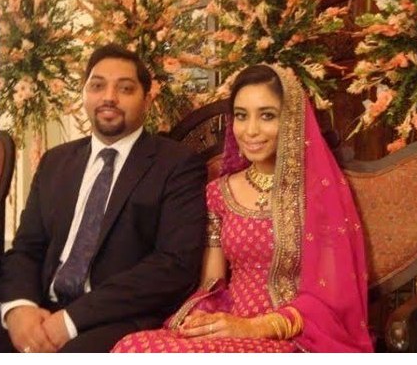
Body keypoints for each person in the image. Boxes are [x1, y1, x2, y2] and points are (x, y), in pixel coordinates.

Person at [112, 63, 373, 353]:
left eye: (267, 116)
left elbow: (333, 295)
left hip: (292, 334)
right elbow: (212, 283)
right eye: (241, 116)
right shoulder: (219, 192)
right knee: (132, 346)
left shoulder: (319, 192)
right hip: (229, 326)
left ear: (292, 120)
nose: (251, 131)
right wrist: (203, 319)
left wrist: (255, 327)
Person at [0, 44, 207, 353]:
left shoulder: (176, 164)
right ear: (84, 94)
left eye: (125, 88)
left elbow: (174, 265)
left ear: (147, 100)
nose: (109, 97)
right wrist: (18, 308)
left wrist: (71, 320)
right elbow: (27, 247)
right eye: (97, 86)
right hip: (40, 307)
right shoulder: (56, 161)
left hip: (115, 318)